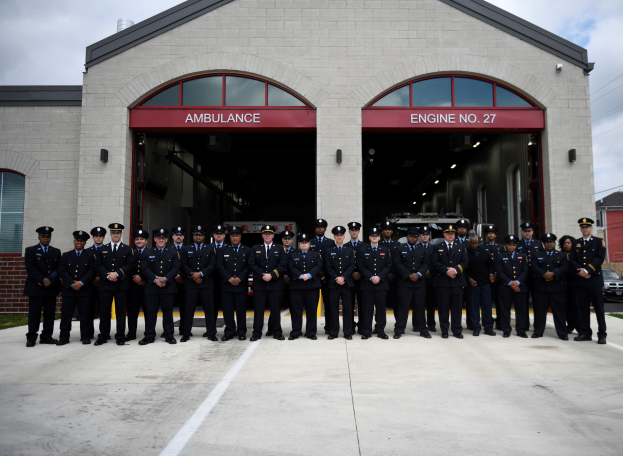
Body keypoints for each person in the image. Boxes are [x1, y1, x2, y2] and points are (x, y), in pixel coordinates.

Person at [94, 223, 135, 346]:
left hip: (121, 285)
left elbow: (129, 265)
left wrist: (116, 274)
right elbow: (98, 265)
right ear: (110, 234)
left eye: (118, 233)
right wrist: (108, 276)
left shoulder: (128, 249)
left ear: (121, 234)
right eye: (113, 233)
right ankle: (103, 335)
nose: (116, 235)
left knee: (121, 312)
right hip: (105, 285)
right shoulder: (101, 249)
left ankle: (120, 336)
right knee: (104, 311)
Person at [569, 218, 607, 344]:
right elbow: (572, 259)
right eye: (583, 227)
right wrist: (581, 272)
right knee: (583, 308)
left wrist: (588, 270)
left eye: (587, 227)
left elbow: (600, 258)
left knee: (598, 308)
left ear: (591, 228)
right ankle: (585, 333)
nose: (585, 229)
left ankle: (602, 334)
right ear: (580, 229)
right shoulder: (576, 243)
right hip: (581, 280)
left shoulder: (599, 241)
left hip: (594, 280)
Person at [140, 228, 181, 345]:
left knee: (168, 313)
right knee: (150, 313)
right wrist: (154, 279)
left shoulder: (173, 252)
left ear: (167, 239)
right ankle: (149, 335)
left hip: (168, 288)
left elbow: (176, 268)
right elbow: (144, 268)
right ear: (154, 239)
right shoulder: (147, 253)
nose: (161, 240)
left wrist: (164, 279)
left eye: (163, 238)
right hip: (152, 288)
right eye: (158, 238)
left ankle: (169, 335)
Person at [248, 225, 288, 341]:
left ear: (273, 235)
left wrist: (272, 275)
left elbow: (283, 264)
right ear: (262, 235)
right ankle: (256, 332)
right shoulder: (255, 248)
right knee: (259, 309)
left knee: (275, 309)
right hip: (260, 284)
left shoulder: (280, 248)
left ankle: (277, 332)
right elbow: (251, 264)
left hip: (275, 284)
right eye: (265, 233)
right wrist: (262, 275)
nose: (267, 235)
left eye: (269, 234)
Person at [23, 226, 62, 347]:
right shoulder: (31, 250)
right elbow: (30, 268)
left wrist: (50, 279)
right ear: (39, 237)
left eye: (48, 236)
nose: (46, 238)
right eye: (44, 236)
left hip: (51, 287)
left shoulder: (55, 251)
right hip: (36, 287)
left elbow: (58, 268)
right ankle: (31, 337)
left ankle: (46, 336)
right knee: (34, 313)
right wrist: (42, 280)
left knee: (49, 314)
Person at [56, 230, 96, 345]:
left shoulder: (90, 256)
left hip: (85, 290)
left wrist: (81, 283)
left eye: (82, 241)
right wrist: (71, 283)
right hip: (69, 289)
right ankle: (64, 337)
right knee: (66, 314)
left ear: (85, 243)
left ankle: (85, 336)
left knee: (85, 314)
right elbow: (62, 270)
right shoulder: (66, 255)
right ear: (74, 241)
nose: (79, 242)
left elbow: (92, 271)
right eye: (77, 240)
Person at [179, 225, 218, 342]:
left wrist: (200, 274)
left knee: (209, 310)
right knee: (188, 309)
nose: (198, 237)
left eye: (200, 235)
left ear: (204, 236)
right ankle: (186, 333)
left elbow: (213, 265)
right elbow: (183, 265)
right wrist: (193, 275)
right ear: (193, 236)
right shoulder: (185, 248)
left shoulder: (210, 248)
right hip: (190, 284)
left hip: (206, 284)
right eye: (196, 235)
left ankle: (211, 333)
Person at [431, 224, 468, 339]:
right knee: (443, 307)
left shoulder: (461, 247)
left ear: (455, 234)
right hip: (443, 282)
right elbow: (435, 262)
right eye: (448, 233)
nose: (450, 235)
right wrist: (446, 271)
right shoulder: (437, 247)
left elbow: (465, 262)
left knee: (457, 308)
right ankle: (444, 330)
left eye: (452, 233)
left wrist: (455, 270)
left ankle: (457, 330)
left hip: (457, 282)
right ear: (444, 234)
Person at [393, 227, 431, 339]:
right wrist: (409, 275)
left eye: (415, 237)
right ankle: (399, 330)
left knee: (420, 307)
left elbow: (426, 264)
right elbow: (398, 264)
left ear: (417, 238)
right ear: (407, 237)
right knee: (402, 308)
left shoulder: (423, 249)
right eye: (411, 236)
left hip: (419, 284)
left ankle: (423, 330)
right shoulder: (400, 248)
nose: (413, 239)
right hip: (405, 283)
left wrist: (418, 274)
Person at [530, 233, 568, 340]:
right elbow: (533, 267)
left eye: (551, 242)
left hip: (557, 288)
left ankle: (562, 333)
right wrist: (544, 274)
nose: (549, 244)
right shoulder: (536, 254)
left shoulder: (562, 255)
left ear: (555, 243)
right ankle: (538, 332)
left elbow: (564, 268)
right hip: (541, 288)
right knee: (539, 311)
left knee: (559, 312)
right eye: (547, 242)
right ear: (543, 244)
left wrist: (553, 274)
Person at [357, 226, 392, 339]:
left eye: (376, 236)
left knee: (381, 309)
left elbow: (388, 265)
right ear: (369, 237)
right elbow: (360, 266)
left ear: (379, 237)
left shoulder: (385, 250)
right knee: (368, 309)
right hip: (367, 284)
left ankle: (380, 330)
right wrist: (371, 277)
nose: (374, 237)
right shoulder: (362, 250)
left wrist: (379, 277)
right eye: (372, 236)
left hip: (381, 284)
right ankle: (367, 331)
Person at [216, 226, 251, 341]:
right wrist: (229, 278)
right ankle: (229, 331)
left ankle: (241, 331)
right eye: (232, 236)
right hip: (227, 285)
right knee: (227, 310)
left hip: (241, 285)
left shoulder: (247, 250)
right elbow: (219, 266)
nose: (235, 238)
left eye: (237, 235)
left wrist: (240, 278)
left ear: (240, 236)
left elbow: (249, 266)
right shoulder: (222, 250)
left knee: (241, 310)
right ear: (229, 237)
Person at [287, 233, 323, 340]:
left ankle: (311, 332)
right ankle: (296, 331)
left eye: (306, 242)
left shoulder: (316, 254)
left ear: (309, 244)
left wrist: (309, 275)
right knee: (296, 311)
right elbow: (290, 266)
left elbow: (319, 265)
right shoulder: (293, 254)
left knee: (311, 311)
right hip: (296, 286)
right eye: (302, 242)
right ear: (299, 244)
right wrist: (299, 275)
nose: (304, 244)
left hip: (312, 286)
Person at [494, 235, 529, 338]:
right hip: (505, 287)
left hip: (520, 287)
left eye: (513, 245)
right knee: (505, 309)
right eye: (509, 245)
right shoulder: (500, 256)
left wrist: (517, 282)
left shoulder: (522, 255)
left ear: (516, 245)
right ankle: (506, 329)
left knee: (521, 309)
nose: (511, 247)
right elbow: (500, 272)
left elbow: (525, 271)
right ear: (506, 245)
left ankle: (521, 330)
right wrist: (511, 283)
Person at [324, 226, 355, 340]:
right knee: (333, 309)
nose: (339, 237)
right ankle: (333, 332)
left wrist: (343, 277)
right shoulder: (329, 251)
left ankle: (347, 332)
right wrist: (337, 278)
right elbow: (328, 267)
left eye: (341, 235)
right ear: (334, 237)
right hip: (333, 284)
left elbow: (352, 266)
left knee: (347, 308)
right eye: (337, 235)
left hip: (347, 284)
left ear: (344, 236)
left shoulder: (349, 250)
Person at [465, 232, 496, 336]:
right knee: (474, 306)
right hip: (472, 284)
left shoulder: (483, 251)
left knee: (487, 305)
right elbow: (463, 269)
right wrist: (468, 279)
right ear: (468, 243)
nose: (474, 245)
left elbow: (491, 264)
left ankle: (488, 327)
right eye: (472, 243)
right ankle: (476, 327)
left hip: (485, 283)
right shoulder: (465, 253)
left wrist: (491, 273)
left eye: (476, 243)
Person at [309, 218, 335, 334]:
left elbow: (332, 260)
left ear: (325, 229)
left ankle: (329, 327)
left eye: (322, 227)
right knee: (311, 304)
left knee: (328, 304)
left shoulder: (330, 242)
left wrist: (324, 271)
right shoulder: (309, 241)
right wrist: (316, 272)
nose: (320, 229)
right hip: (313, 277)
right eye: (318, 227)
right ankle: (311, 329)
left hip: (326, 276)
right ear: (315, 229)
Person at [517, 222, 543, 331]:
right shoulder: (517, 244)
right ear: (522, 232)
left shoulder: (539, 244)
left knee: (537, 303)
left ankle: (537, 326)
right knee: (523, 303)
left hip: (536, 277)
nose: (527, 233)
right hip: (523, 278)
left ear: (532, 232)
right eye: (525, 231)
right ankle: (524, 325)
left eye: (529, 231)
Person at [126, 229, 149, 341]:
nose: (139, 241)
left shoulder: (151, 253)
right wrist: (134, 277)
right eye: (137, 239)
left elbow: (152, 269)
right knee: (132, 312)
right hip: (133, 288)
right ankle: (131, 333)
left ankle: (148, 333)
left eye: (141, 239)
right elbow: (127, 267)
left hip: (147, 288)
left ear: (146, 241)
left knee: (148, 312)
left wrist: (142, 277)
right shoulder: (129, 253)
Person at [85, 226, 106, 339]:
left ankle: (103, 333)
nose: (98, 238)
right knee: (89, 309)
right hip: (90, 284)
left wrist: (100, 277)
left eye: (100, 236)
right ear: (93, 238)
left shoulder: (107, 249)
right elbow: (87, 268)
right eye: (96, 236)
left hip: (103, 283)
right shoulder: (87, 252)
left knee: (103, 310)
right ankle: (88, 333)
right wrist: (93, 278)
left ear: (103, 237)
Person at [380, 221, 400, 333]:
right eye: (385, 229)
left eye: (389, 229)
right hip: (382, 279)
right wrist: (384, 274)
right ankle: (380, 326)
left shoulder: (397, 245)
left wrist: (392, 274)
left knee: (397, 304)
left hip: (394, 279)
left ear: (392, 231)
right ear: (382, 231)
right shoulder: (378, 243)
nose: (388, 231)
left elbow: (399, 262)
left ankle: (398, 326)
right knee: (380, 304)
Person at [559, 235, 581, 334]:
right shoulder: (559, 255)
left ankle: (579, 327)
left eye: (569, 243)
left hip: (575, 284)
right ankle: (570, 325)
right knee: (565, 306)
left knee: (576, 306)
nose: (567, 245)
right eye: (565, 243)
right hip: (563, 284)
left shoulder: (577, 254)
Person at [483, 225, 504, 330]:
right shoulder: (482, 247)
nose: (491, 234)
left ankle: (500, 322)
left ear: (495, 235)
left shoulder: (501, 247)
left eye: (493, 233)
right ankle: (488, 322)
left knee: (499, 301)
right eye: (489, 233)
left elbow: (503, 263)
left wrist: (496, 273)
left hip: (498, 278)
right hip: (486, 278)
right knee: (487, 302)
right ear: (486, 235)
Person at [346, 222, 366, 334]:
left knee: (362, 304)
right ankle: (351, 327)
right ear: (349, 232)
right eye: (352, 230)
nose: (354, 232)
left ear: (359, 232)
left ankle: (362, 327)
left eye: (356, 230)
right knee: (349, 305)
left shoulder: (365, 246)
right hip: (349, 280)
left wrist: (360, 273)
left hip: (362, 280)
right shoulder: (345, 246)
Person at [418, 226, 437, 332]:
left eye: (427, 235)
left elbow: (436, 261)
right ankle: (417, 324)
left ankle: (431, 324)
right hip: (420, 279)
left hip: (431, 279)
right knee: (419, 302)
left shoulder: (434, 248)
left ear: (429, 236)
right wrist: (422, 272)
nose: (425, 236)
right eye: (423, 234)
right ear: (420, 236)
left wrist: (430, 271)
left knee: (431, 303)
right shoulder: (416, 247)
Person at [455, 219, 472, 330]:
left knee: (470, 302)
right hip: (455, 275)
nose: (462, 228)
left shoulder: (472, 241)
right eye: (460, 227)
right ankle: (456, 325)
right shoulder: (451, 240)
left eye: (464, 227)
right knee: (456, 303)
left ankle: (471, 324)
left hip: (469, 275)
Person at [211, 225, 229, 328]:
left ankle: (229, 328)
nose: (219, 235)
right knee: (212, 307)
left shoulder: (229, 247)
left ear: (224, 235)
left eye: (221, 234)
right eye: (217, 234)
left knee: (227, 307)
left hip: (225, 282)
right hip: (212, 282)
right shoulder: (208, 247)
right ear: (213, 235)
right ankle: (211, 329)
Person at [170, 226, 187, 336]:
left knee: (184, 308)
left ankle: (184, 329)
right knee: (168, 308)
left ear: (183, 237)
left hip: (184, 283)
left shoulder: (187, 249)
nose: (178, 237)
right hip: (170, 283)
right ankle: (168, 331)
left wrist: (181, 275)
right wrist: (173, 276)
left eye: (180, 235)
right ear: (172, 237)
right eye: (176, 235)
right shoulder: (167, 250)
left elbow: (191, 266)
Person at [281, 230, 295, 311]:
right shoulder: (277, 251)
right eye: (285, 238)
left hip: (291, 283)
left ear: (292, 240)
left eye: (289, 238)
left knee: (293, 306)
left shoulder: (296, 252)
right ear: (282, 240)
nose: (287, 240)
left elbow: (297, 267)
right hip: (278, 281)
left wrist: (288, 277)